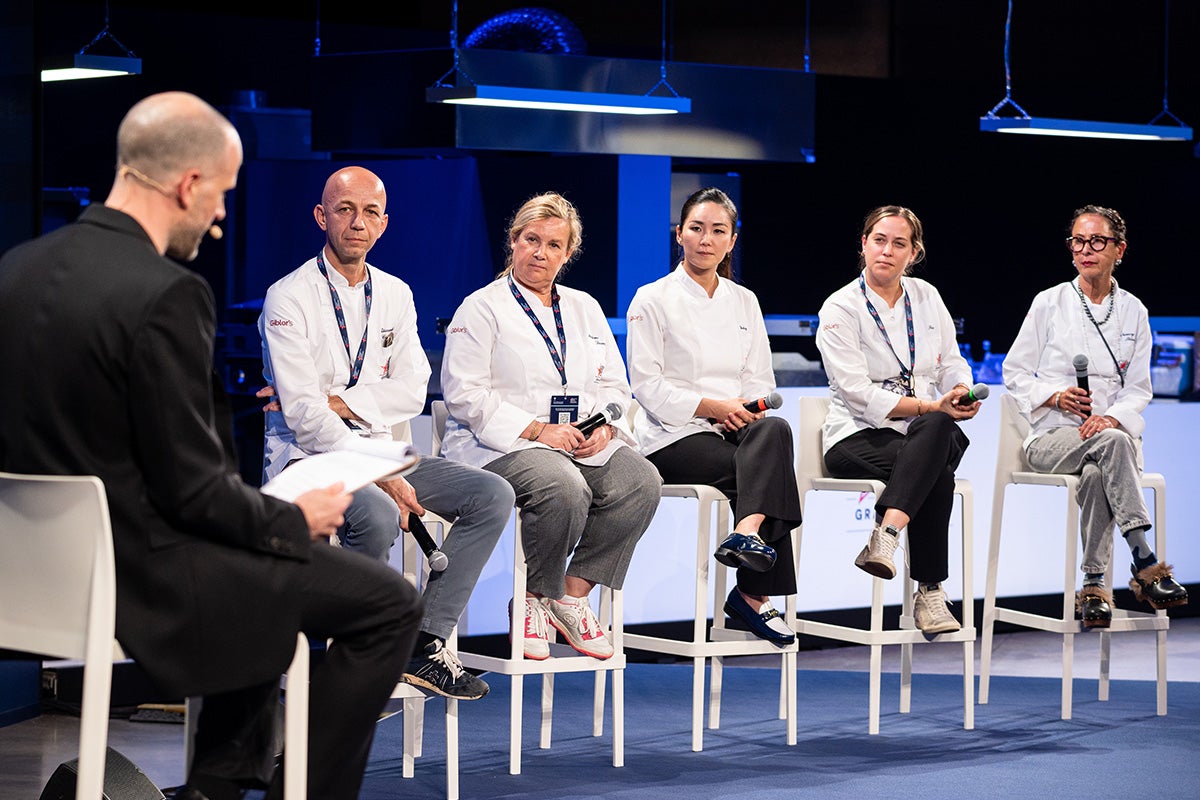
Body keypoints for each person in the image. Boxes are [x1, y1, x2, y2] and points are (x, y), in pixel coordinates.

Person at [0, 92, 422, 800]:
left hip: (29, 573)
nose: (223, 216)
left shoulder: (15, 270)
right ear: (189, 184)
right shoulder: (166, 293)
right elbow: (194, 491)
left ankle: (219, 782)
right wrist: (296, 518)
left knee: (261, 567)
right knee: (387, 602)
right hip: (143, 577)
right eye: (222, 194)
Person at [257, 166, 513, 700]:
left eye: (370, 211)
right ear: (321, 216)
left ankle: (424, 643)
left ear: (384, 223)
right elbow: (305, 416)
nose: (357, 222)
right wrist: (377, 464)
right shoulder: (288, 297)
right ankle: (346, 662)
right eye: (345, 209)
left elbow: (414, 388)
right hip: (307, 458)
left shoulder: (395, 293)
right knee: (374, 514)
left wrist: (342, 399)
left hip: (382, 450)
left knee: (491, 494)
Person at [439, 192, 662, 660]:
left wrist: (604, 427)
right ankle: (533, 599)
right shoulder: (481, 308)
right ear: (513, 242)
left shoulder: (584, 307)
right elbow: (464, 394)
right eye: (531, 240)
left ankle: (570, 595)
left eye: (554, 245)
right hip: (499, 445)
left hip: (575, 440)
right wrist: (538, 431)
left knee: (641, 480)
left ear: (568, 253)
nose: (540, 253)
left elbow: (615, 386)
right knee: (563, 485)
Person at [625, 187, 802, 647]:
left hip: (735, 429)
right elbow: (647, 386)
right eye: (697, 229)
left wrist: (743, 410)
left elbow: (760, 378)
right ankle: (753, 598)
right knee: (770, 476)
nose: (706, 239)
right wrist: (713, 407)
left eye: (718, 231)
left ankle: (745, 533)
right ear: (679, 234)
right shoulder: (651, 298)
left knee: (775, 428)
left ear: (732, 240)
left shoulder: (744, 301)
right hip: (672, 435)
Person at [1003, 205, 1187, 628]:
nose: (1086, 250)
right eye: (1078, 242)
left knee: (1099, 468)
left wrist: (1112, 417)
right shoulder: (1048, 302)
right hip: (1051, 440)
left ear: (1119, 249)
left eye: (1097, 242)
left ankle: (1093, 588)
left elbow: (1139, 388)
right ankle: (1144, 560)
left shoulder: (1135, 311)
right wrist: (1054, 396)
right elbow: (1014, 373)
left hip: (1107, 442)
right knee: (1114, 445)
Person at [814, 205, 980, 635]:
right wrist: (931, 407)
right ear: (864, 245)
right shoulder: (840, 307)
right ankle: (930, 592)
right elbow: (857, 393)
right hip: (857, 437)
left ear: (914, 252)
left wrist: (959, 390)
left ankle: (886, 533)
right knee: (936, 469)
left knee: (936, 435)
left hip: (924, 434)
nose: (887, 250)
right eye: (879, 240)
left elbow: (953, 363)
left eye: (899, 243)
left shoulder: (927, 296)